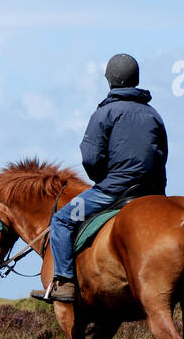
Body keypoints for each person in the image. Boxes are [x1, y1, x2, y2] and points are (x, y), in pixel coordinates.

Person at [34, 53, 168, 303]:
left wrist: (102, 179)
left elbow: (90, 158)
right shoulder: (153, 114)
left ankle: (64, 282)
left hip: (112, 192)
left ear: (110, 79)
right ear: (136, 79)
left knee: (61, 221)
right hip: (152, 193)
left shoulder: (104, 113)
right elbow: (161, 155)